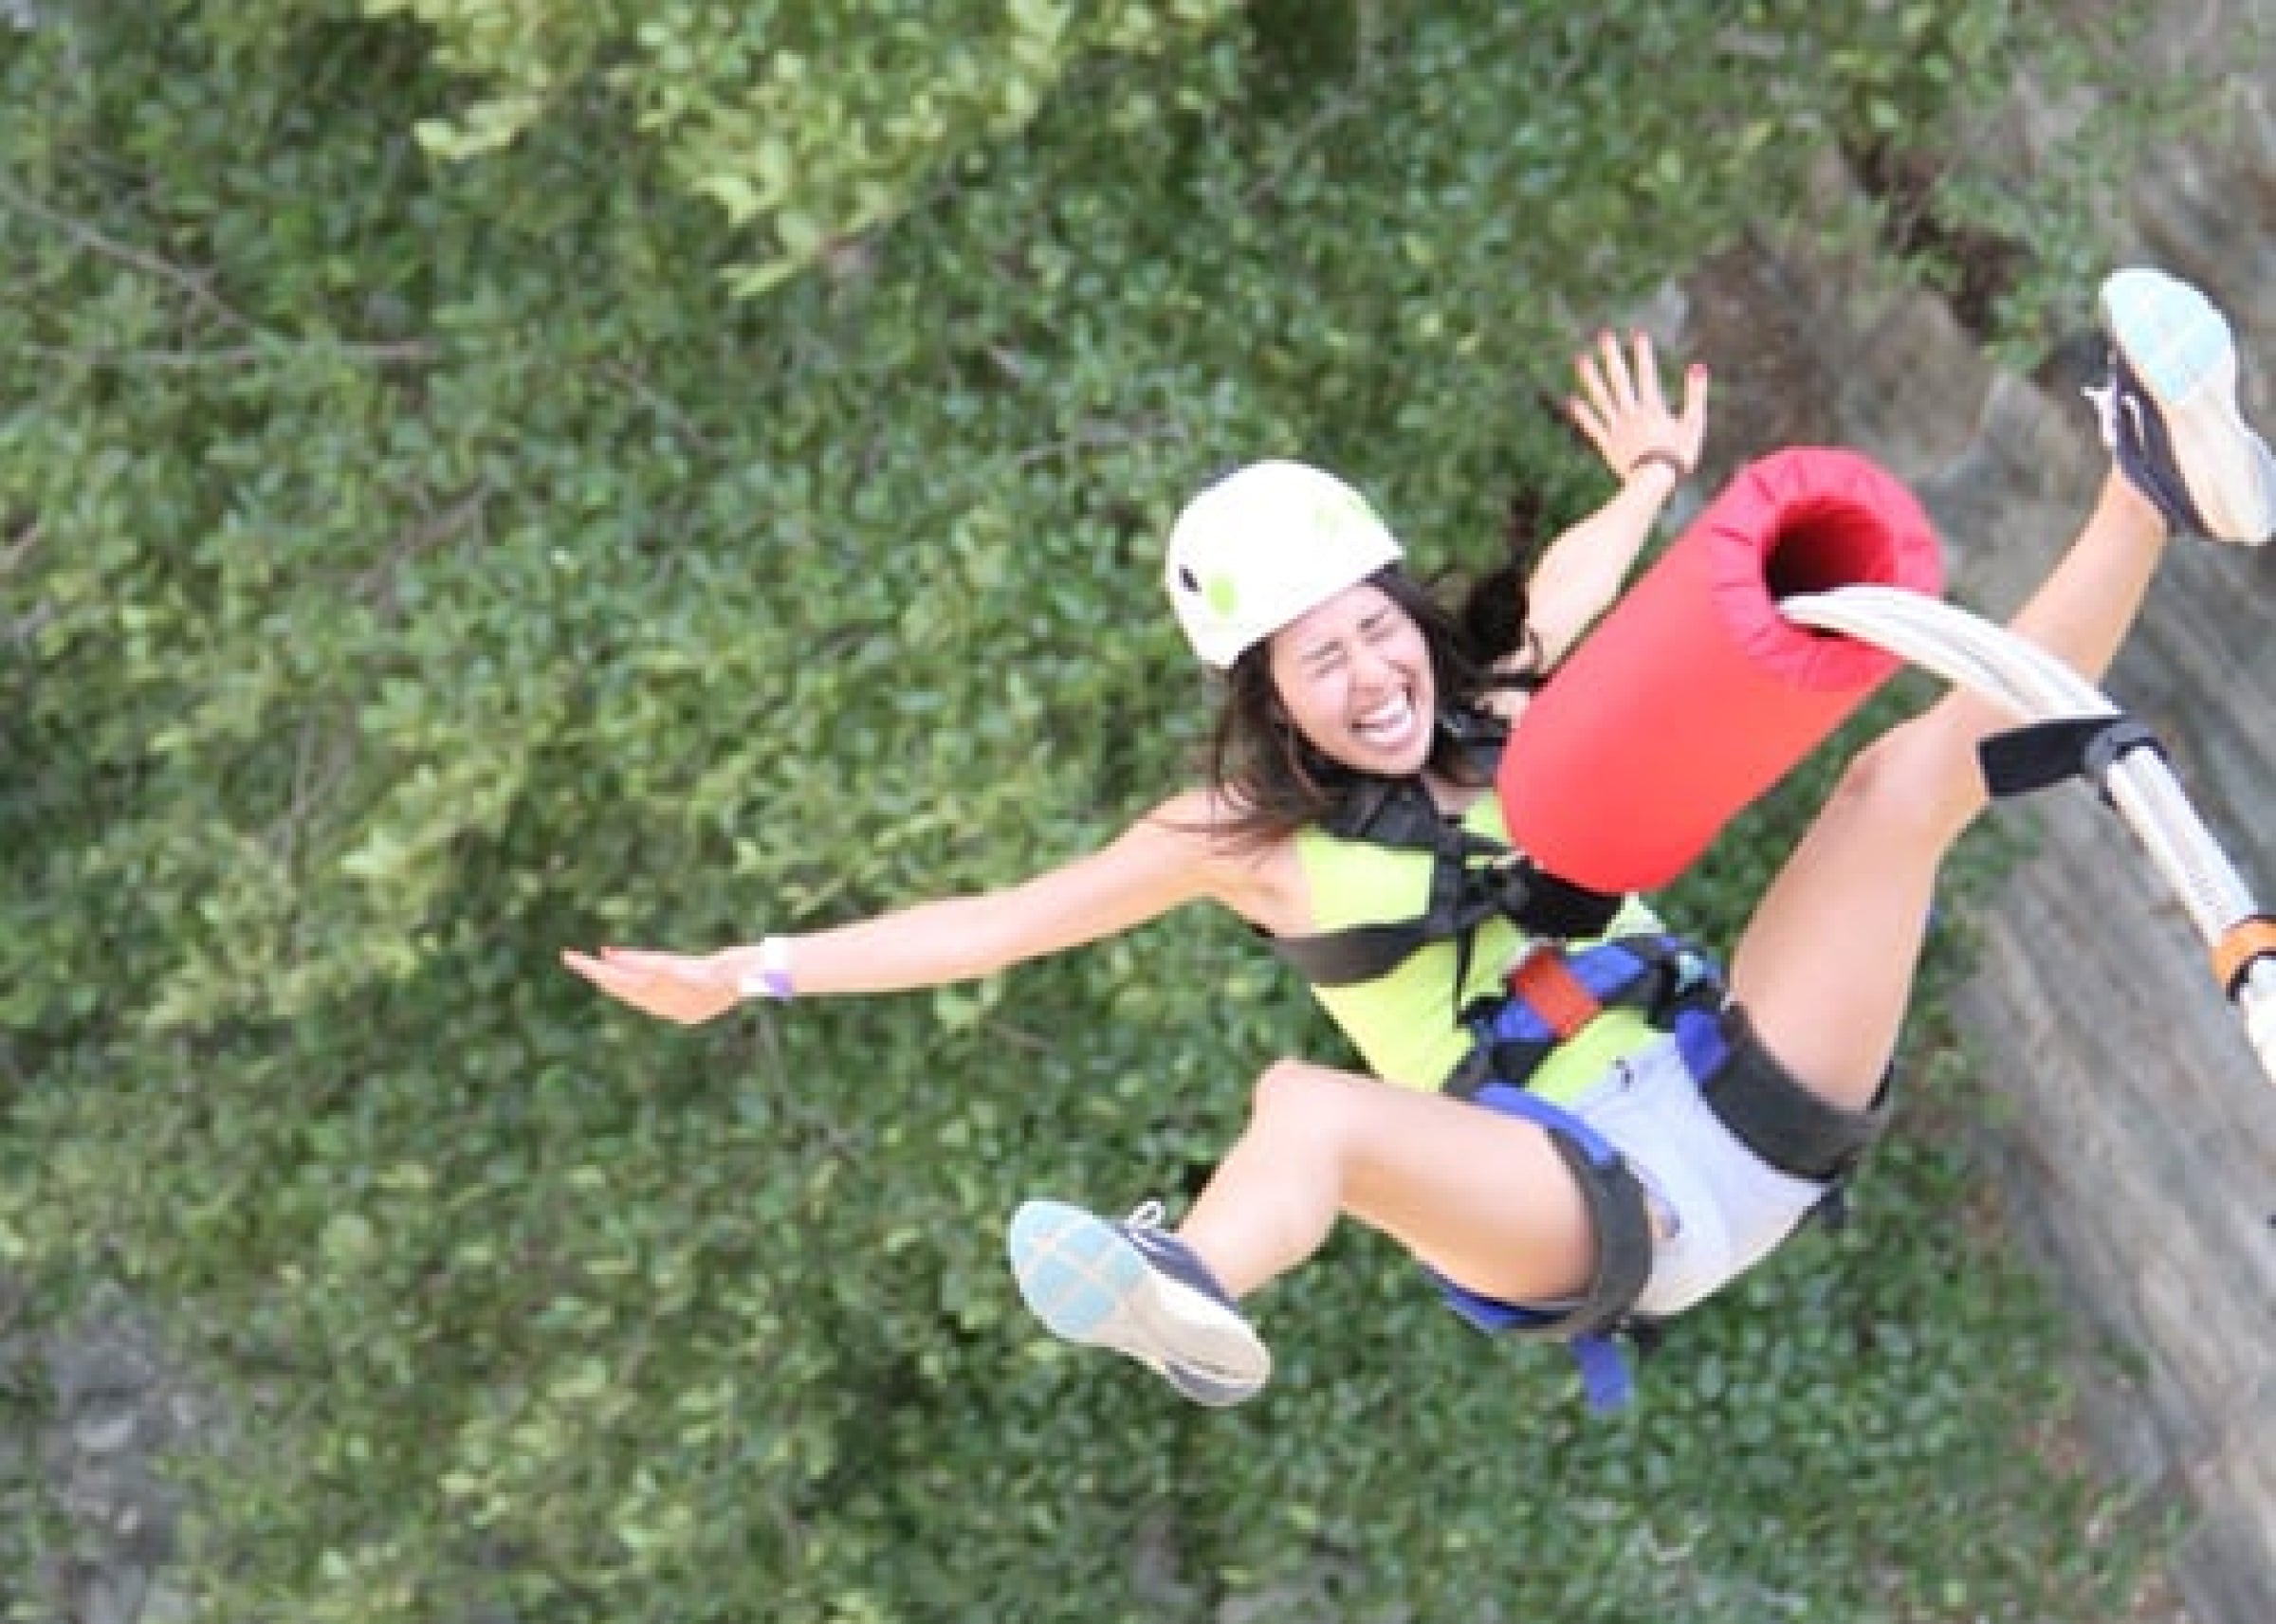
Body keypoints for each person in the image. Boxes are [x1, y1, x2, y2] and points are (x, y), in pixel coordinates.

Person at [565, 268, 2275, 1411]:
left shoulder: (1504, 702)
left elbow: (1584, 585)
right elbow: (997, 923)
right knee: (1303, 1107)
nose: (1373, 672)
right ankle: (1189, 1290)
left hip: (1742, 1096)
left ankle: (2153, 481)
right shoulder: (1235, 838)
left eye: (1378, 631)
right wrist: (753, 969)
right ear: (1269, 695)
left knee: (1900, 789)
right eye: (1324, 661)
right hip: (1573, 1201)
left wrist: (1653, 479)